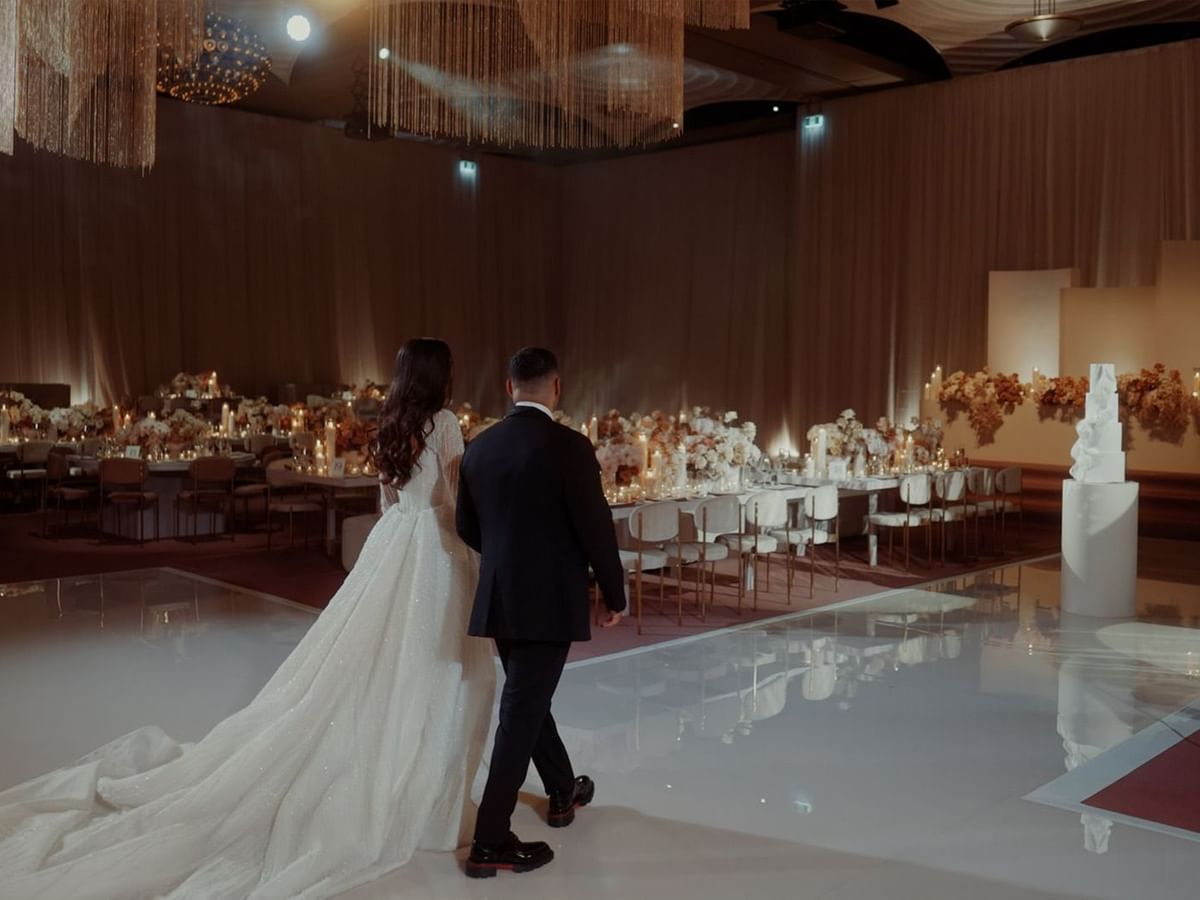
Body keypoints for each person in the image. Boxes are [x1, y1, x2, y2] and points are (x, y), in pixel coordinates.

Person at [0, 339, 496, 900]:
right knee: (431, 663)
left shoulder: (393, 422)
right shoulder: (446, 423)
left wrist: (406, 524)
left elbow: (387, 501)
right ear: (442, 376)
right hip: (432, 546)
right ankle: (424, 783)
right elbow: (454, 503)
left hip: (394, 544)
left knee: (371, 660)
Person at [456, 346, 627, 879]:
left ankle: (561, 791)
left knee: (529, 698)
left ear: (509, 388)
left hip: (501, 594)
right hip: (550, 597)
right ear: (556, 388)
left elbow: (467, 526)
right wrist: (615, 593)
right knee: (521, 710)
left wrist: (507, 556)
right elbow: (596, 527)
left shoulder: (478, 448)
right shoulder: (571, 447)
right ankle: (489, 841)